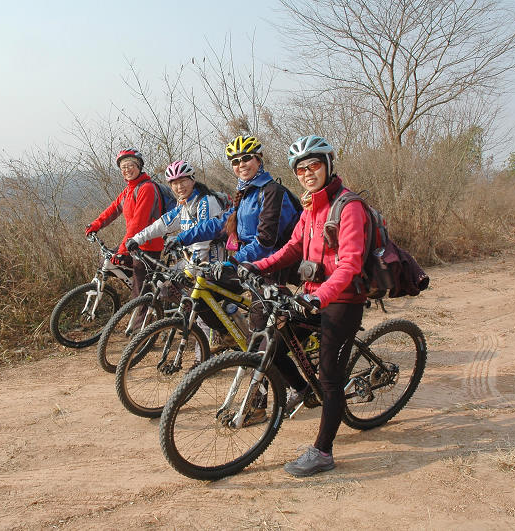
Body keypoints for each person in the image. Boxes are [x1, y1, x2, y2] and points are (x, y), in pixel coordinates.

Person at [240, 135, 368, 477]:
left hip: (342, 299)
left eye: (313, 166)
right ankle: (302, 390)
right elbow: (293, 247)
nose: (307, 173)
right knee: (274, 344)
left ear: (328, 165)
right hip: (311, 294)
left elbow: (350, 264)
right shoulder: (311, 205)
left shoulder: (348, 206)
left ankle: (323, 452)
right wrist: (258, 266)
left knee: (330, 378)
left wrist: (318, 297)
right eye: (301, 169)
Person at [173, 135, 307, 424]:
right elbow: (221, 224)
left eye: (246, 158)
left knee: (260, 339)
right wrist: (181, 237)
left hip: (275, 269)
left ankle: (259, 405)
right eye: (235, 161)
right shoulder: (244, 193)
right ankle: (229, 336)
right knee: (207, 290)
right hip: (251, 266)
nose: (241, 164)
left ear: (259, 159)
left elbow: (266, 240)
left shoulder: (271, 191)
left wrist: (231, 262)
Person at [85, 148, 164, 301]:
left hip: (148, 246)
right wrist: (95, 225)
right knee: (105, 262)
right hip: (133, 243)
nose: (127, 170)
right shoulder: (129, 190)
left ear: (139, 166)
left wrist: (122, 250)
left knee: (139, 293)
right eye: (123, 167)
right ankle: (148, 288)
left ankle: (146, 311)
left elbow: (138, 223)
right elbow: (113, 209)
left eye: (130, 165)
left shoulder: (146, 188)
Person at [125, 160, 225, 264]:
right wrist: (137, 239)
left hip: (211, 262)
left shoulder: (206, 201)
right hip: (193, 259)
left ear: (193, 180)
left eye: (183, 181)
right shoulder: (184, 205)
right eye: (175, 183)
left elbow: (202, 242)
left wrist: (190, 269)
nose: (179, 187)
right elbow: (163, 224)